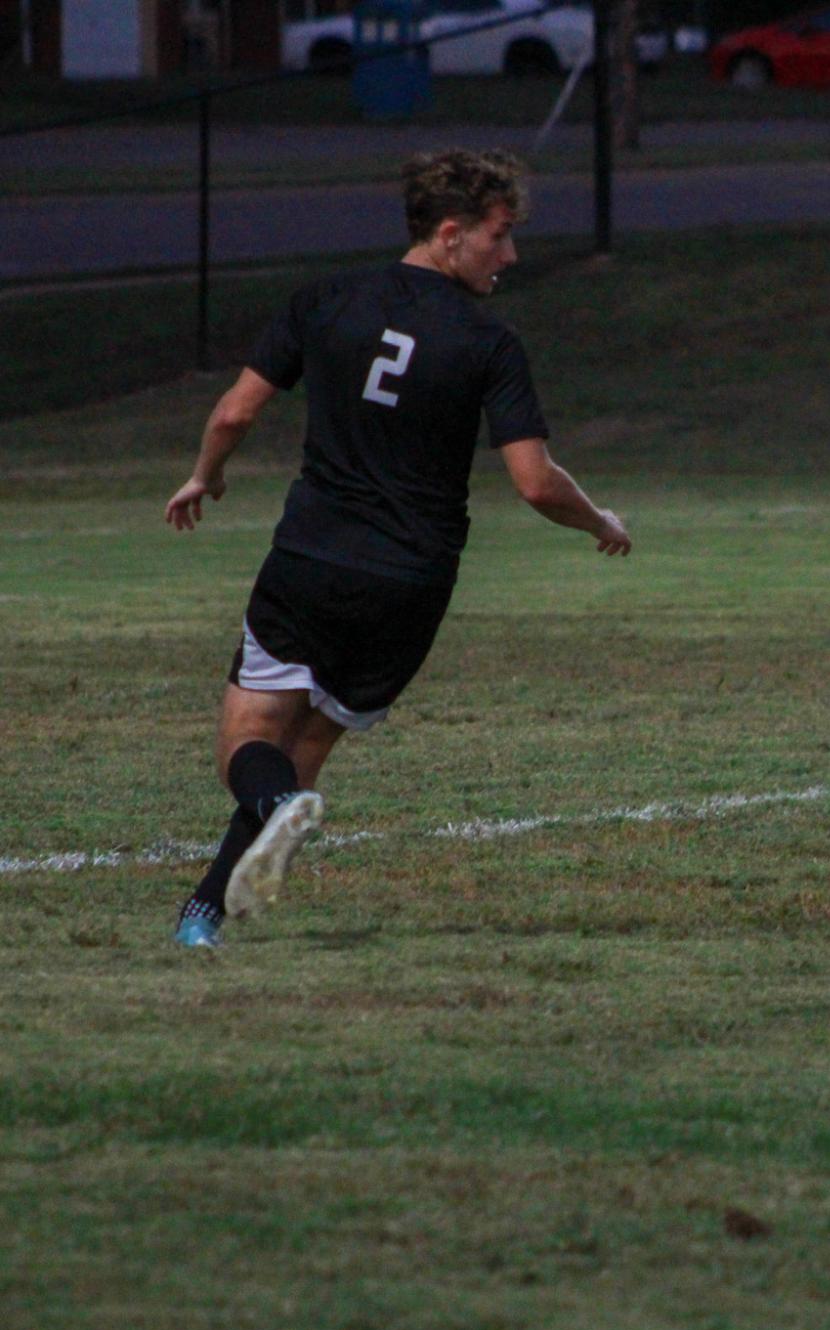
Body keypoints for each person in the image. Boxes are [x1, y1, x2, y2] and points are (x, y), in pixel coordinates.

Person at [164, 149, 632, 948]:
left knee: (247, 744)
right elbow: (534, 482)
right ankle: (204, 915)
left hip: (312, 559)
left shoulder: (327, 298)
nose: (511, 255)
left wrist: (204, 477)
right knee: (304, 751)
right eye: (501, 235)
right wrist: (599, 522)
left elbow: (238, 412)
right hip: (411, 582)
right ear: (450, 234)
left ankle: (246, 855)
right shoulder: (489, 342)